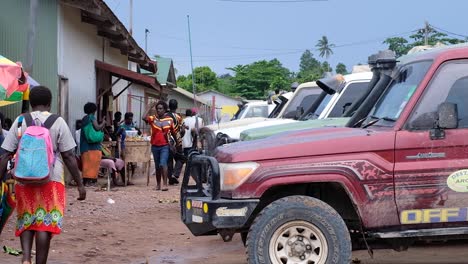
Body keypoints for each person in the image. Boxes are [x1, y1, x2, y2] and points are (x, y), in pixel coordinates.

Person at [0, 86, 86, 264]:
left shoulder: (19, 120)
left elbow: (5, 153)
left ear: (31, 103)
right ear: (50, 103)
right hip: (51, 179)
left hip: (23, 179)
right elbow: (69, 156)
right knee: (44, 224)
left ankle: (25, 258)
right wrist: (80, 184)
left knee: (26, 218)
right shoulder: (58, 121)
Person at [143, 101, 181, 191]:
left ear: (164, 110)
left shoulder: (169, 120)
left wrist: (177, 143)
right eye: (157, 109)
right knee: (157, 166)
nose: (158, 110)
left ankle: (165, 184)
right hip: (155, 146)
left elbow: (173, 133)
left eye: (160, 109)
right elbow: (144, 117)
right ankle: (158, 185)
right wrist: (149, 107)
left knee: (162, 164)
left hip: (165, 145)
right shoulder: (153, 118)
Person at [172, 109, 204, 179]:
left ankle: (176, 174)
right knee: (189, 159)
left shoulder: (182, 120)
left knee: (183, 158)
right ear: (193, 114)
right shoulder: (198, 120)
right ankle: (196, 176)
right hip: (192, 143)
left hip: (182, 143)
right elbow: (200, 132)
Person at [80, 102, 106, 186]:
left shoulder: (84, 118)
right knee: (93, 164)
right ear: (94, 110)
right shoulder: (91, 117)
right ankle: (90, 182)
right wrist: (103, 123)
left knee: (86, 165)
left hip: (84, 146)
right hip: (92, 147)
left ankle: (85, 182)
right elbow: (97, 128)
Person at [165, 99, 184, 185]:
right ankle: (175, 175)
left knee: (169, 160)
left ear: (169, 106)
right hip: (177, 140)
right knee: (180, 158)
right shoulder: (178, 117)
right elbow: (182, 130)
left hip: (167, 140)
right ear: (177, 107)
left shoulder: (164, 116)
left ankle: (170, 178)